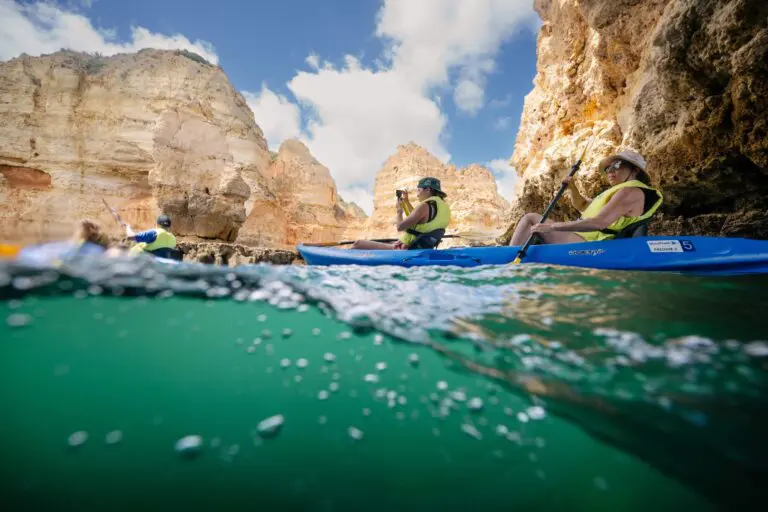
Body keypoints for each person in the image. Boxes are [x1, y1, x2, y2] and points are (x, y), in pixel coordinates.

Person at [507, 150, 663, 246]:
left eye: (616, 166)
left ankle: (508, 257)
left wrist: (552, 227)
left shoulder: (629, 192)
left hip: (590, 242)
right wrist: (572, 188)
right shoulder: (618, 191)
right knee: (533, 221)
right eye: (608, 168)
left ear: (635, 170)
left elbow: (598, 222)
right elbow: (582, 205)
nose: (610, 171)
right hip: (584, 237)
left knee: (531, 218)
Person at [351, 177, 452, 250]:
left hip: (405, 248)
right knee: (389, 242)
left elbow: (400, 227)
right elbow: (418, 219)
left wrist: (399, 211)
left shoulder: (424, 206)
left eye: (419, 190)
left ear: (428, 190)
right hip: (421, 246)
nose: (417, 194)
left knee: (358, 244)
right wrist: (406, 202)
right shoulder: (442, 207)